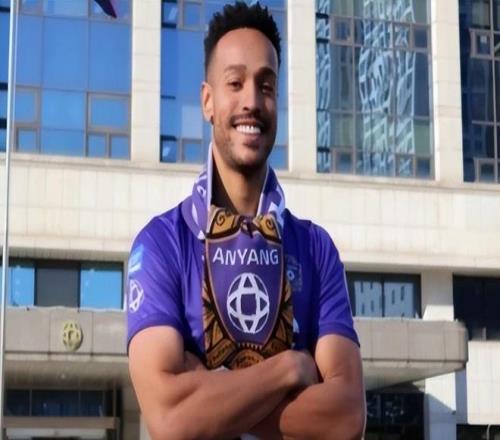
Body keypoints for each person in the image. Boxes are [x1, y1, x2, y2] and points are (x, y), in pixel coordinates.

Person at [127, 2, 365, 439]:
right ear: (207, 101)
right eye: (235, 83)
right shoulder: (162, 244)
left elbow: (347, 417)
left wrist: (207, 395)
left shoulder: (315, 249)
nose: (252, 101)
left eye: (266, 85)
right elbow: (168, 421)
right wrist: (289, 368)